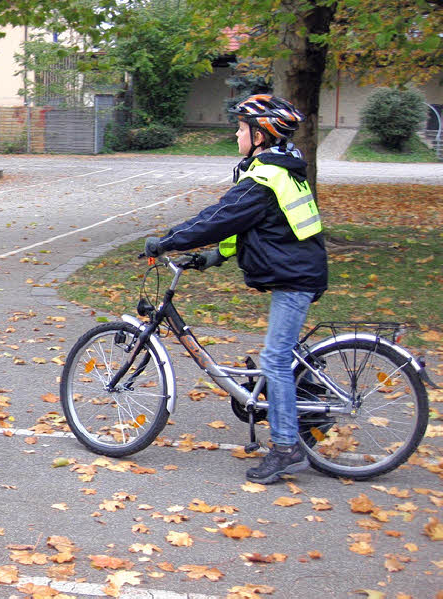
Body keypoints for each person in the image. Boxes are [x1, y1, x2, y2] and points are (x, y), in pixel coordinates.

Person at [143, 94, 328, 484]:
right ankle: (299, 404)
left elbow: (219, 218)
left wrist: (169, 240)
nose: (236, 133)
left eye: (242, 128)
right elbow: (256, 227)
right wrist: (215, 257)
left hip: (295, 278)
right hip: (297, 271)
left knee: (274, 359)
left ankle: (286, 448)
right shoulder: (278, 169)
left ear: (260, 136)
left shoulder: (264, 178)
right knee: (280, 356)